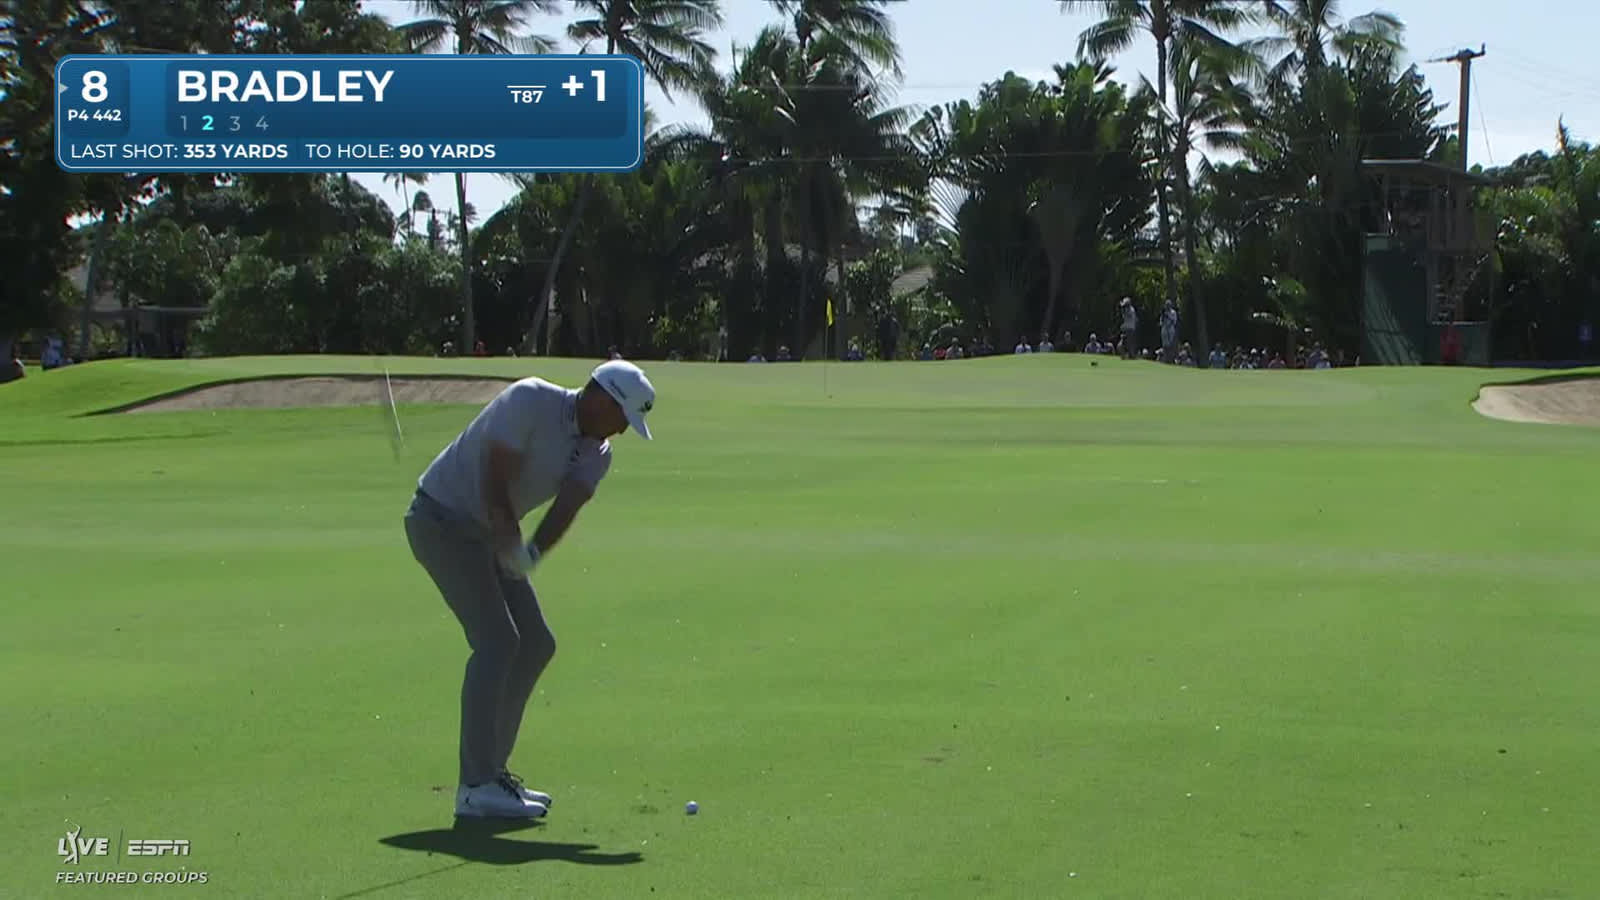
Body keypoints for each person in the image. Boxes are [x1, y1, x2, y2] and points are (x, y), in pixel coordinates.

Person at [403, 359, 656, 819]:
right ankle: (475, 786)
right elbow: (493, 480)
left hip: (488, 533)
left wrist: (532, 554)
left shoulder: (597, 453)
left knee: (536, 643)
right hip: (441, 519)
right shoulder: (531, 400)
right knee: (497, 641)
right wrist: (510, 544)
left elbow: (567, 506)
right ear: (602, 397)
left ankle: (492, 774)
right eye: (622, 419)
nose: (620, 432)